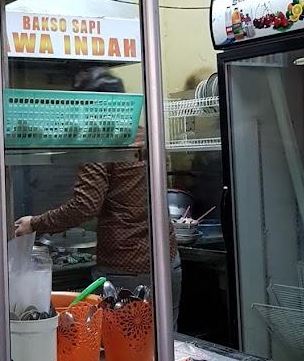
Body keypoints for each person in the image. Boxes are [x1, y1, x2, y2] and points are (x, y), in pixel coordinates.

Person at [15, 68, 182, 329]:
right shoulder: (143, 135)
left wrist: (34, 223)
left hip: (125, 267)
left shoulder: (99, 143)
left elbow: (86, 204)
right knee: (164, 347)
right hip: (167, 258)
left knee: (126, 352)